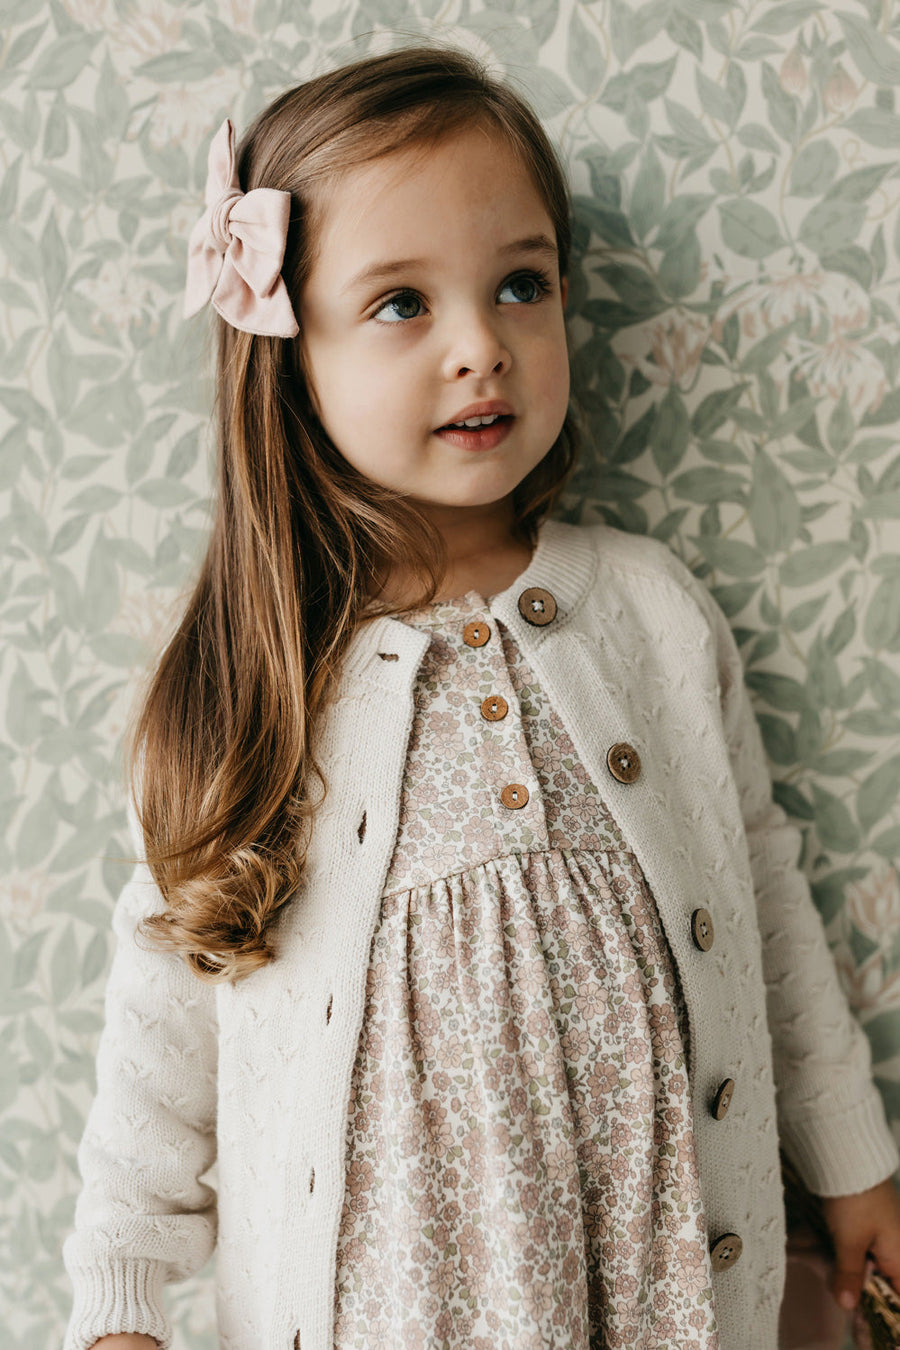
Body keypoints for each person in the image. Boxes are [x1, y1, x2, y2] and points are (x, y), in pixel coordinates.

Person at [60, 44, 900, 1350]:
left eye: (521, 284)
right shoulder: (254, 668)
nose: (481, 348)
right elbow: (159, 1034)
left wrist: (849, 1155)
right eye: (402, 303)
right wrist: (121, 1303)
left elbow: (764, 900)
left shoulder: (650, 613)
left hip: (662, 1288)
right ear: (288, 350)